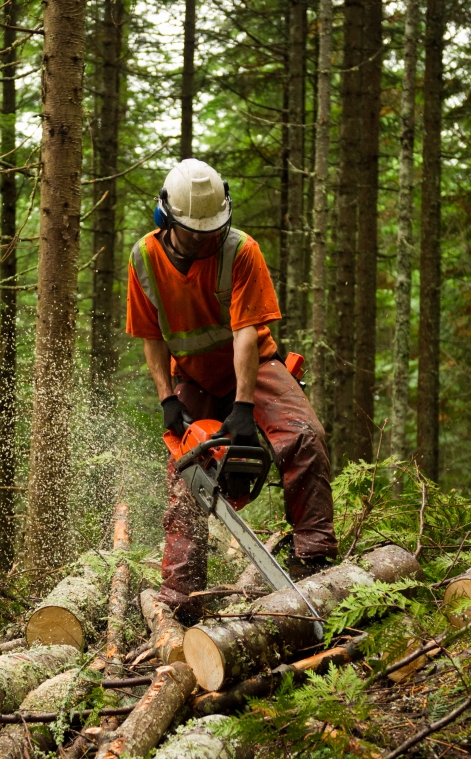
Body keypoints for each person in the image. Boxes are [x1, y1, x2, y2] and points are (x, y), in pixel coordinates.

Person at [125, 158, 338, 623]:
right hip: (194, 376)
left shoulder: (240, 250)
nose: (205, 239)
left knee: (304, 436)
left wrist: (243, 408)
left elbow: (246, 333)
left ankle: (316, 558)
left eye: (210, 230)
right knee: (186, 476)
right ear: (166, 219)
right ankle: (181, 594)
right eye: (194, 232)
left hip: (254, 361)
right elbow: (151, 335)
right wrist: (167, 398)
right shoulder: (144, 258)